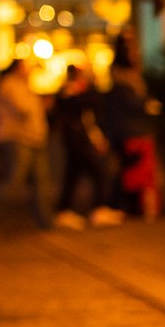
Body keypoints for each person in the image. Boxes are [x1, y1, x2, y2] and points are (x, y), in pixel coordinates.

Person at [0, 59, 53, 231]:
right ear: (17, 68)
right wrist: (40, 102)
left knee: (41, 181)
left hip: (35, 138)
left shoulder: (24, 86)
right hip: (17, 139)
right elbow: (23, 109)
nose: (29, 71)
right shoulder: (10, 85)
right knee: (13, 181)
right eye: (26, 67)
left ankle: (45, 221)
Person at [52, 65, 121, 229]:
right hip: (77, 140)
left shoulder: (82, 94)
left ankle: (65, 211)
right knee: (99, 171)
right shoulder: (69, 92)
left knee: (74, 175)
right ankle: (98, 209)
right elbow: (73, 110)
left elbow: (91, 116)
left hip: (80, 139)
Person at [104, 38, 161, 221]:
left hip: (131, 133)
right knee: (135, 174)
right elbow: (132, 105)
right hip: (132, 135)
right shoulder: (124, 85)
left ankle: (135, 208)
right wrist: (148, 105)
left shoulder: (124, 83)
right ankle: (128, 207)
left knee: (133, 173)